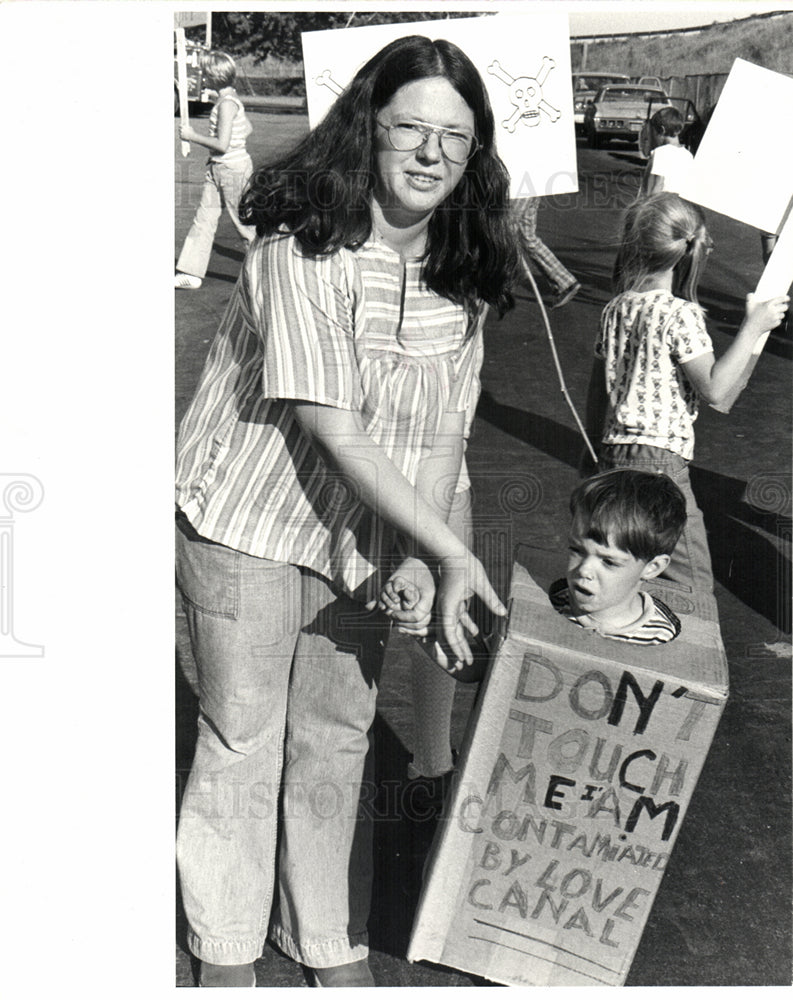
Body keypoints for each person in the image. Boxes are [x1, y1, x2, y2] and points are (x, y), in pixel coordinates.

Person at [174, 35, 518, 987]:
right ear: (366, 129)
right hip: (245, 523)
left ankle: (323, 940)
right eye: (409, 125)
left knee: (334, 737)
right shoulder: (300, 247)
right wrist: (454, 554)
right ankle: (227, 948)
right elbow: (337, 428)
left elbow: (444, 431)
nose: (428, 153)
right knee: (244, 736)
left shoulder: (460, 273)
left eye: (453, 136)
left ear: (475, 151)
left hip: (361, 537)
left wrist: (420, 549)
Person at [584, 193, 789, 596]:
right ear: (687, 251)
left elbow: (597, 391)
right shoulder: (680, 315)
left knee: (625, 568)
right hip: (659, 463)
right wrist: (753, 327)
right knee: (691, 583)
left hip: (612, 454)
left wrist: (590, 456)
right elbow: (714, 388)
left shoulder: (616, 308)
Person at [550, 469, 686, 644]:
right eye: (577, 550)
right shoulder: (557, 603)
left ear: (652, 567)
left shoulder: (660, 637)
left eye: (608, 561)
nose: (584, 570)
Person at [174, 51, 255, 289]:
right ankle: (191, 272)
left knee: (244, 223)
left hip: (232, 169)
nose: (202, 76)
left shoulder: (227, 105)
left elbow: (222, 144)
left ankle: (261, 272)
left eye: (205, 73)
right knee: (204, 218)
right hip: (219, 167)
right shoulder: (227, 101)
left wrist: (192, 136)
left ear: (213, 76)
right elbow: (247, 128)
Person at [513, 195, 581, 308]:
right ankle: (565, 282)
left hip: (521, 188)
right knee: (528, 238)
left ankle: (495, 282)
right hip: (531, 188)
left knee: (504, 229)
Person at [639, 106, 694, 198]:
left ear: (662, 130)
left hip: (661, 206)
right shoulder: (688, 156)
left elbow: (657, 185)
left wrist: (646, 206)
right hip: (679, 206)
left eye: (654, 133)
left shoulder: (660, 153)